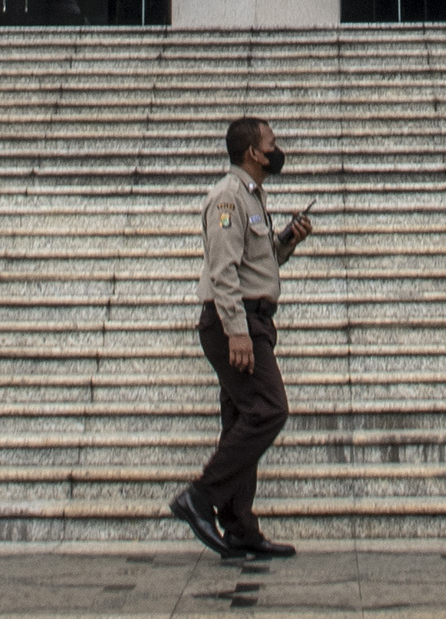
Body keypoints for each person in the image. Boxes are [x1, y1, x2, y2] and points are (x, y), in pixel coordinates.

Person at [169, 114, 313, 562]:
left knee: (241, 421)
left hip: (252, 319)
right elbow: (223, 272)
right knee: (270, 409)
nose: (276, 148)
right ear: (253, 151)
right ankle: (199, 497)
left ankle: (239, 528)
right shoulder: (228, 198)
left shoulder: (252, 196)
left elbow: (257, 261)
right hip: (236, 323)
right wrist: (237, 332)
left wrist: (286, 240)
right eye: (271, 142)